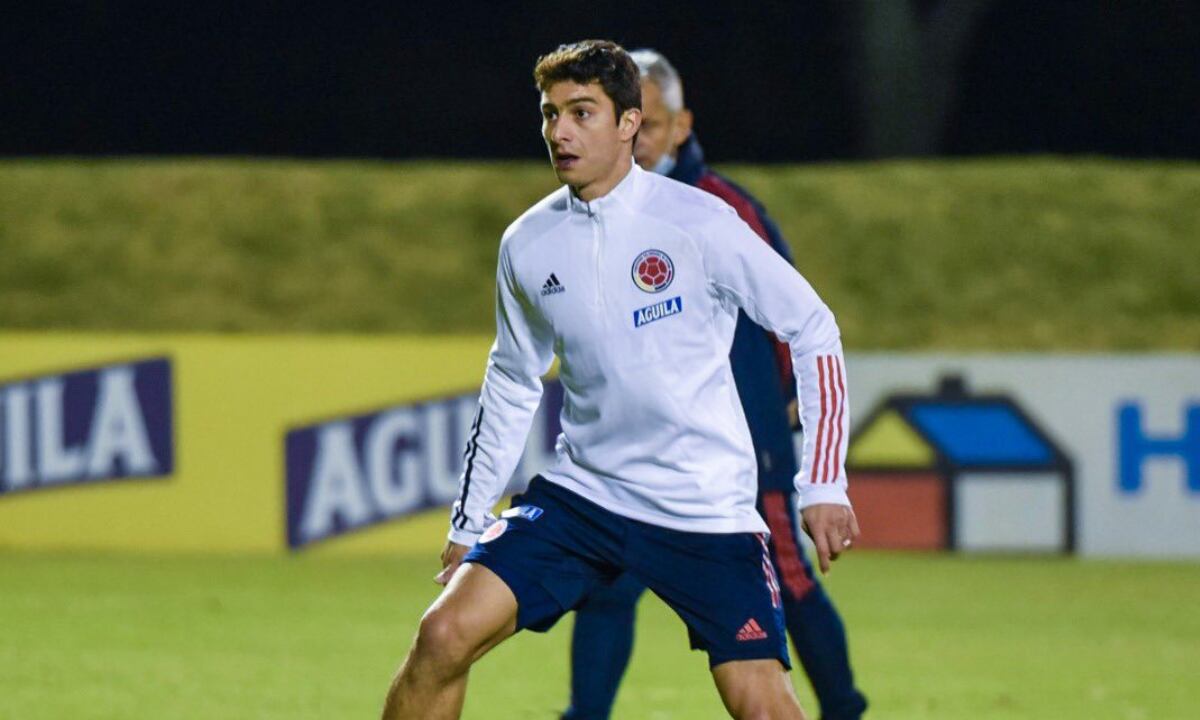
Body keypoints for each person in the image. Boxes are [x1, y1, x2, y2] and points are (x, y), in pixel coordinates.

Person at [380, 39, 859, 720]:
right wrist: (469, 519)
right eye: (550, 114)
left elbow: (813, 328)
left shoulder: (698, 223)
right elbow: (513, 381)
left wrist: (824, 482)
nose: (560, 132)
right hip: (585, 497)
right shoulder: (527, 242)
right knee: (442, 635)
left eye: (582, 112)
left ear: (630, 123)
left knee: (763, 705)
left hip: (702, 509)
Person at [560, 50, 869, 720]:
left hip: (743, 440)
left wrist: (779, 410)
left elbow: (795, 320)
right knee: (609, 587)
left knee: (786, 579)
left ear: (679, 125)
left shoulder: (719, 206)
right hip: (640, 450)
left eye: (655, 124)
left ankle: (845, 709)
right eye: (632, 123)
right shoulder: (596, 211)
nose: (639, 139)